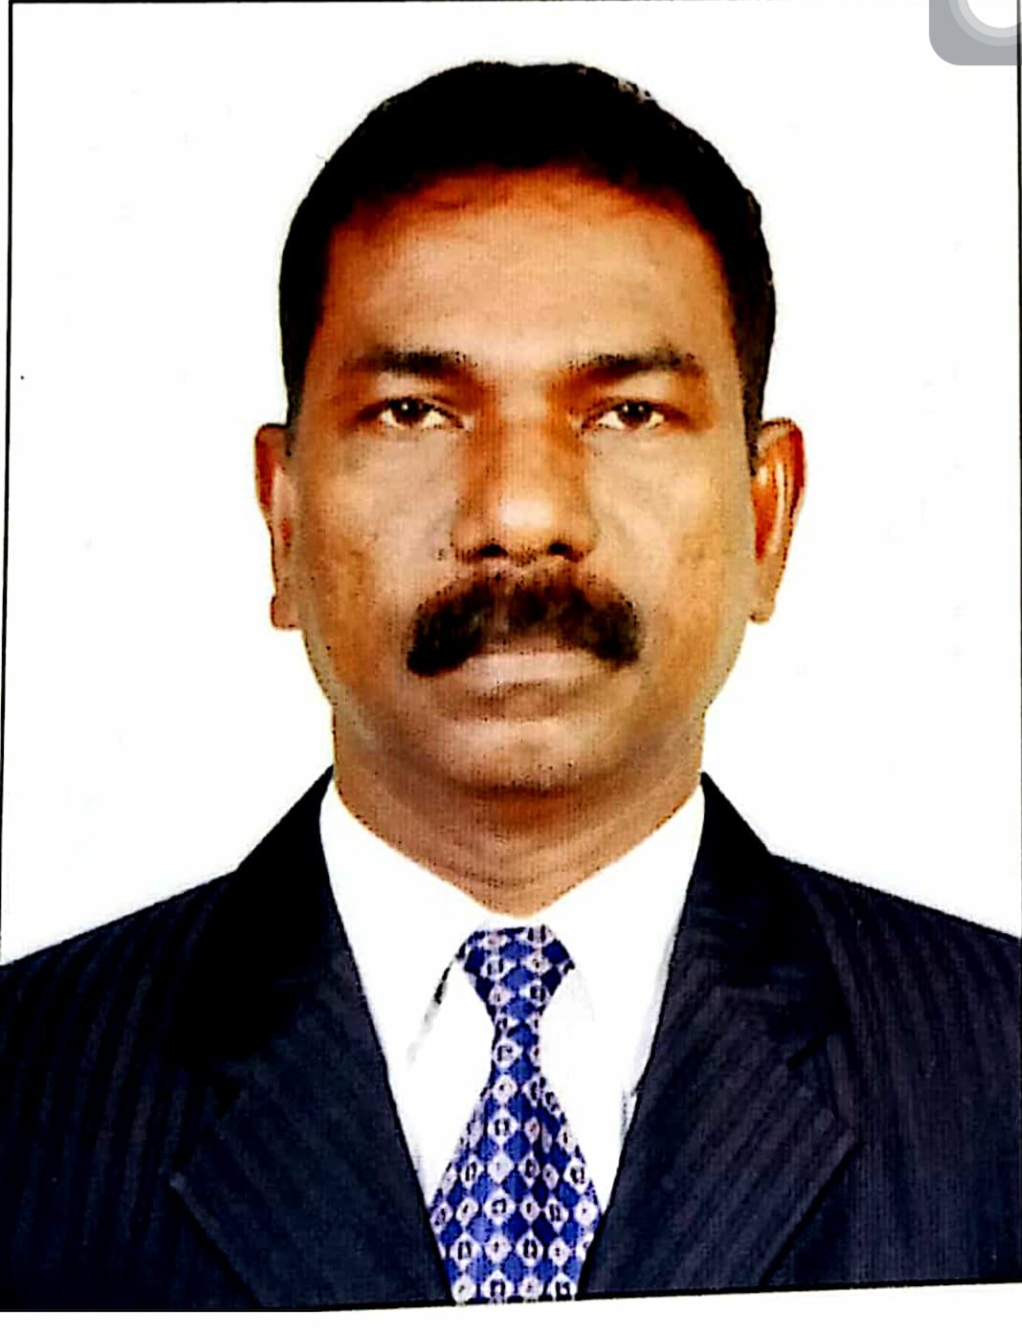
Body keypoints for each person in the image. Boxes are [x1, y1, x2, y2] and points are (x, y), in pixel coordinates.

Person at [0, 61, 1017, 1310]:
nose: (522, 514)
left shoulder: (995, 1069)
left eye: (627, 413)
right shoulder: (29, 1084)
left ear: (765, 515)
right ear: (282, 518)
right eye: (414, 412)